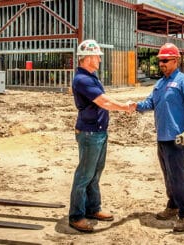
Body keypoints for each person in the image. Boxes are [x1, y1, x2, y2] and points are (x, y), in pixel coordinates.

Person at [68, 39, 136, 233]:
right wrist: (124, 107)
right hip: (90, 133)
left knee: (95, 173)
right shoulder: (82, 80)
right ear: (88, 57)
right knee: (84, 175)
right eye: (97, 56)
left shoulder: (91, 76)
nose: (99, 59)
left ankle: (93, 208)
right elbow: (103, 102)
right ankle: (76, 216)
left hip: (98, 132)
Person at [135, 43, 184, 232]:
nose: (161, 64)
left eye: (165, 60)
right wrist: (135, 106)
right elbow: (150, 102)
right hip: (162, 137)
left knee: (178, 176)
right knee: (168, 175)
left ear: (176, 61)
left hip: (177, 138)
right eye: (160, 61)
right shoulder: (160, 83)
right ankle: (172, 206)